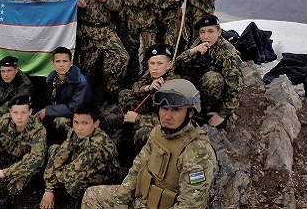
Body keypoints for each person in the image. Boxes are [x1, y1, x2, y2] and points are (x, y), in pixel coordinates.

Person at [82, 79, 217, 209]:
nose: (167, 116)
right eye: (164, 108)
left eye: (176, 110)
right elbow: (138, 166)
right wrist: (121, 200)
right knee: (92, 196)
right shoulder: (157, 132)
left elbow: (190, 205)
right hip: (142, 199)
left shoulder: (197, 152)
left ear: (190, 113)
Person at [0, 94, 47, 209]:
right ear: (10, 111)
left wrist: (5, 173)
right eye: (15, 112)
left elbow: (36, 159)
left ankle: (8, 198)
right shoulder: (5, 121)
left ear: (30, 112)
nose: (19, 117)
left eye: (23, 112)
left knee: (28, 166)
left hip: (21, 163)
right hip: (7, 155)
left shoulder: (38, 130)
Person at [75, 0, 130, 105]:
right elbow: (72, 14)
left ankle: (111, 91)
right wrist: (78, 8)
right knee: (87, 70)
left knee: (123, 57)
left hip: (106, 31)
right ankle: (88, 101)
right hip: (88, 32)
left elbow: (118, 6)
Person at [171, 15, 244, 128]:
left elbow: (236, 88)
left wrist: (222, 114)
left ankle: (204, 112)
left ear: (219, 32)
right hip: (199, 85)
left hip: (216, 93)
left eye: (210, 31)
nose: (206, 36)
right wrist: (192, 52)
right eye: (202, 32)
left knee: (212, 79)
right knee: (175, 77)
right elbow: (175, 66)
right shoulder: (199, 43)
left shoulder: (228, 53)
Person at [40, 102, 117, 209]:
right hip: (81, 165)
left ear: (96, 123)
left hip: (106, 177)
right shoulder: (75, 131)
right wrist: (49, 189)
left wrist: (53, 176)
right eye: (76, 122)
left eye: (85, 123)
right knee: (54, 149)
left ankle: (83, 198)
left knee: (72, 185)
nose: (79, 128)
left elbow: (72, 172)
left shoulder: (98, 146)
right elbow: (61, 154)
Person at [116, 43, 173, 160]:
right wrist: (148, 87)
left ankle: (141, 160)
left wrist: (138, 118)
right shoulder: (151, 75)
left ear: (169, 65)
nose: (155, 67)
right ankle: (127, 133)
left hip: (166, 126)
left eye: (160, 63)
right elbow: (135, 88)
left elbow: (168, 122)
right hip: (150, 113)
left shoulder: (173, 85)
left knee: (144, 133)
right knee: (125, 94)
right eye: (152, 63)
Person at [38, 46, 92, 143]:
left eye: (65, 61)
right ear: (53, 64)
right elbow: (45, 101)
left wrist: (48, 111)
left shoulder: (81, 82)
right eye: (58, 61)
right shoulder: (51, 79)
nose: (61, 65)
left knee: (60, 122)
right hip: (55, 112)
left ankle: (65, 145)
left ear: (71, 63)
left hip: (76, 117)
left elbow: (76, 107)